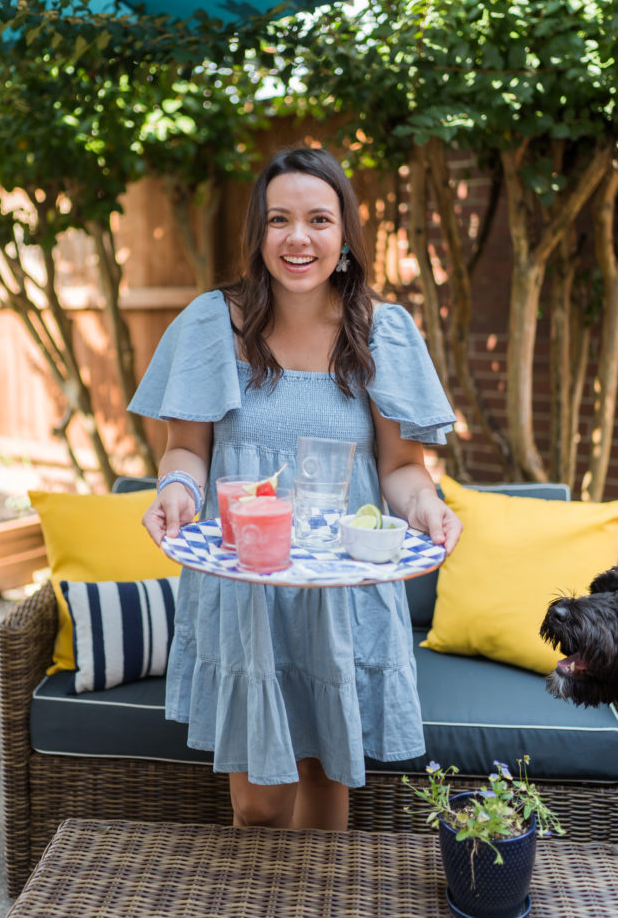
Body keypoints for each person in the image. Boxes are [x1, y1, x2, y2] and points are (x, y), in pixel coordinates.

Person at [128, 145, 462, 832]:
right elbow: (187, 452)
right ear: (258, 234)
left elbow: (401, 470)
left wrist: (429, 508)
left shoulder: (381, 331)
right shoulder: (210, 325)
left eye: (318, 219)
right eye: (279, 219)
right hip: (246, 588)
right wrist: (176, 495)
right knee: (258, 805)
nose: (298, 238)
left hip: (339, 590)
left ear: (344, 236)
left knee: (325, 782)